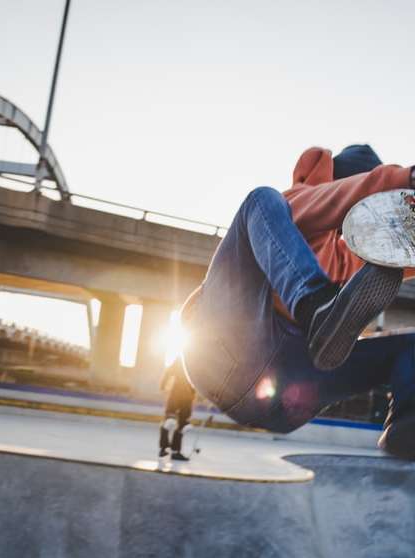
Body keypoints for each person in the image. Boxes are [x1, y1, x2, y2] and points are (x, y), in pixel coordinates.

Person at [181, 144, 415, 460]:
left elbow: (404, 251)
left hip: (285, 397)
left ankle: (406, 432)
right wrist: (404, 181)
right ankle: (315, 307)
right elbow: (336, 198)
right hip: (226, 358)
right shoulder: (295, 204)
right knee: (259, 199)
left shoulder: (349, 259)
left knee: (410, 345)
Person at [159, 356, 196, 462]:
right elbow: (169, 371)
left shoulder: (200, 361)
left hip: (189, 396)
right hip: (177, 393)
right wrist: (163, 385)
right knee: (169, 421)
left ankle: (175, 452)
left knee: (183, 424)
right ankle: (163, 448)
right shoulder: (182, 358)